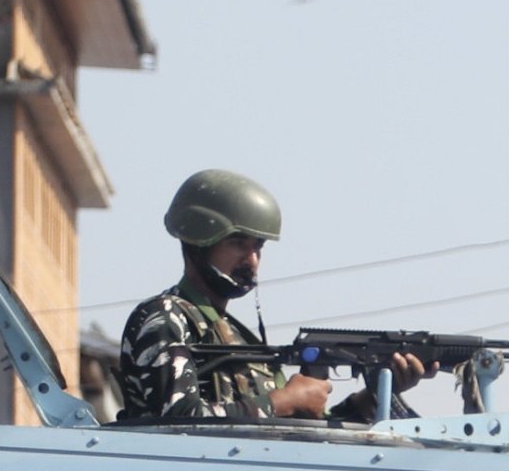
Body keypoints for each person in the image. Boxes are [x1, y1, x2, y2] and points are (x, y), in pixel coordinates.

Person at [117, 168, 427, 425]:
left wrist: (376, 394)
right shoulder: (164, 318)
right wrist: (283, 400)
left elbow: (292, 432)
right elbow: (175, 422)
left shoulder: (236, 337)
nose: (252, 259)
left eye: (258, 247)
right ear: (199, 242)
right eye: (239, 243)